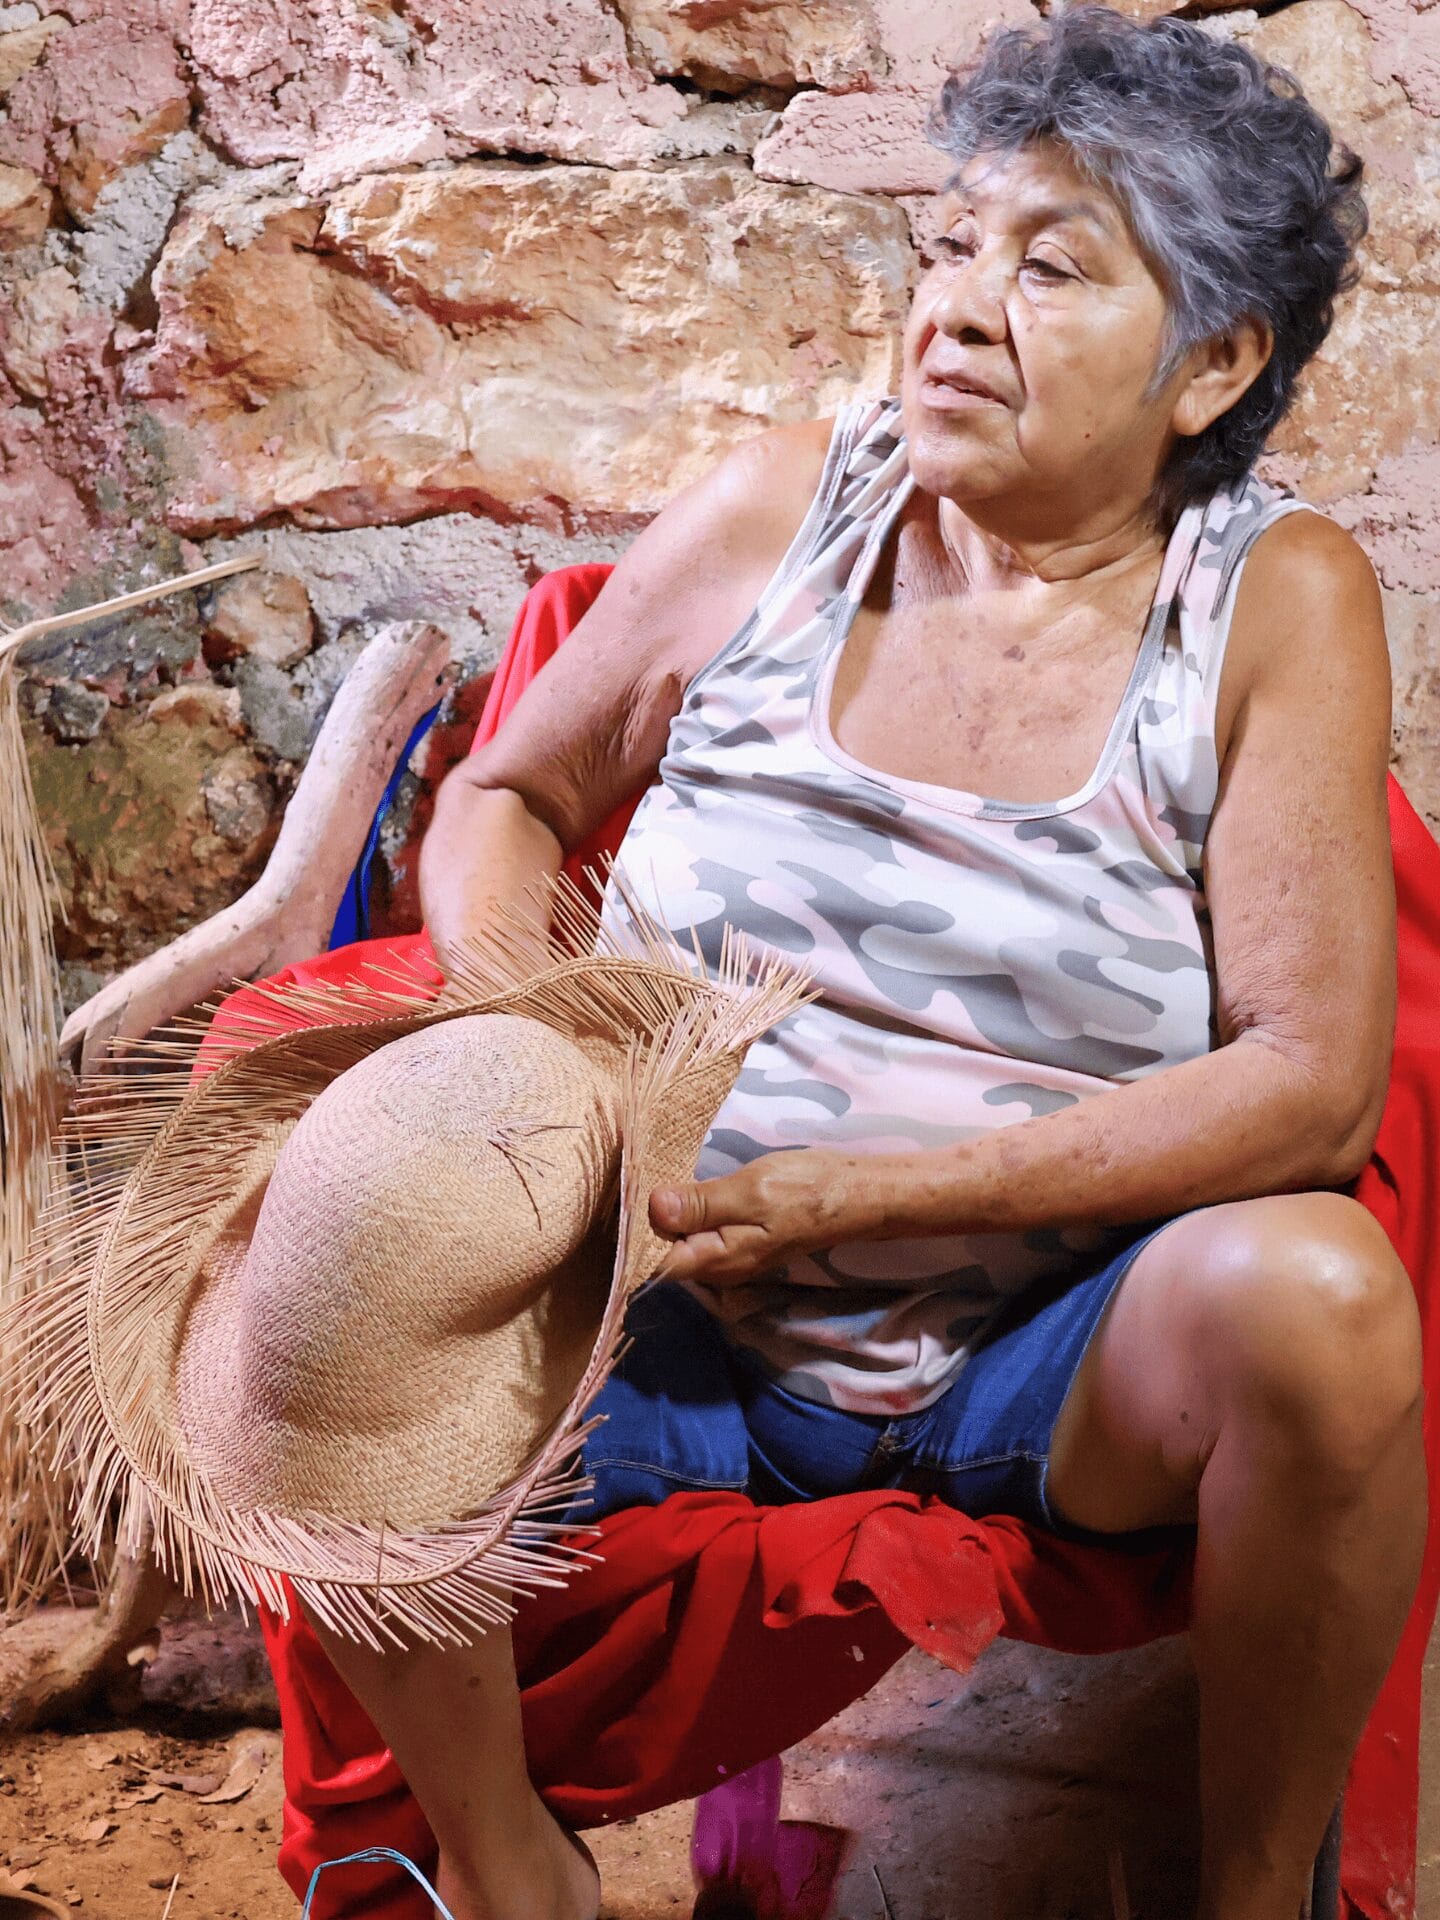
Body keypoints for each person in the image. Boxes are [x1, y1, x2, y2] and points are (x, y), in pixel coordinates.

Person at [302, 10, 1426, 1920]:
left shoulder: (1270, 597)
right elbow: (504, 795)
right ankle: (502, 1862)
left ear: (1215, 362)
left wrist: (874, 1194)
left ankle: (1255, 1901)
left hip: (1042, 1350)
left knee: (1324, 1298)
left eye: (1051, 268)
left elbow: (1312, 1082)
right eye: (952, 244)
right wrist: (540, 1056)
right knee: (343, 1212)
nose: (957, 308)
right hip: (656, 1298)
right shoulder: (782, 508)